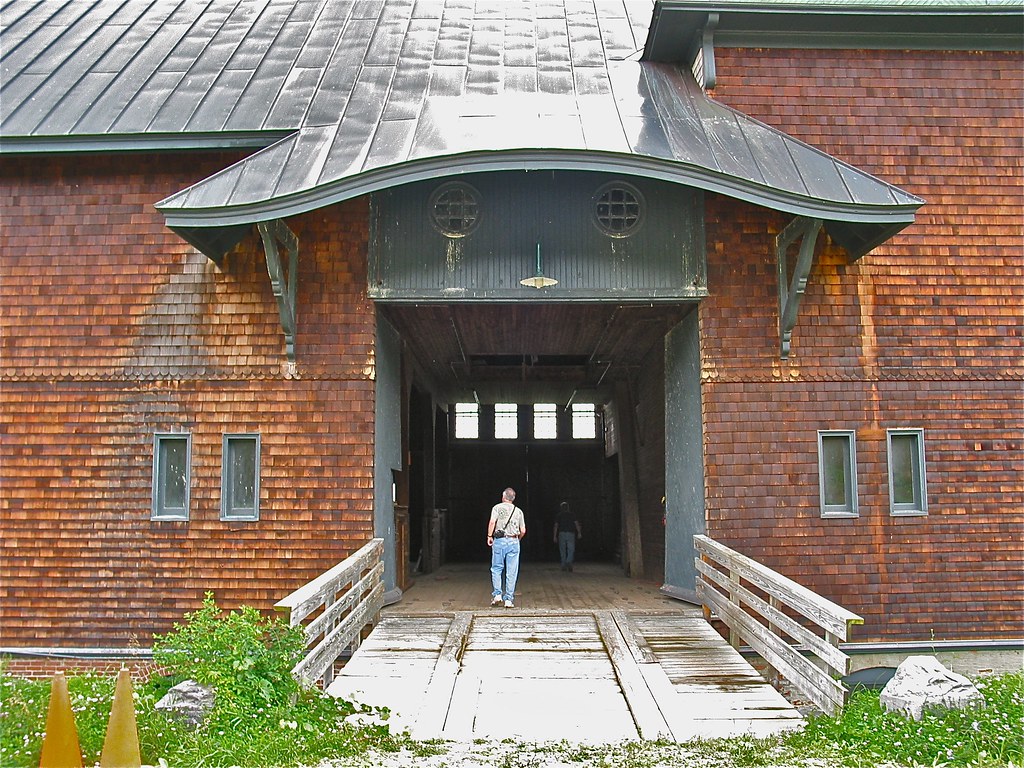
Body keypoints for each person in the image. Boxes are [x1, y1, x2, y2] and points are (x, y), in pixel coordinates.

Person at [486, 487, 526, 608]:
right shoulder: (518, 511)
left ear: (503, 497)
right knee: (512, 571)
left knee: (497, 568)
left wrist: (489, 535)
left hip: (500, 541)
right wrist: (517, 539)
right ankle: (508, 600)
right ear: (513, 498)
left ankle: (497, 595)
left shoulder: (497, 508)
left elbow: (492, 522)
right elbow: (523, 530)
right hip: (514, 541)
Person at [552, 501, 582, 572]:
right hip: (570, 534)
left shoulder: (559, 515)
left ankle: (563, 565)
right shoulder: (572, 515)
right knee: (571, 549)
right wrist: (579, 532)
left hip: (561, 533)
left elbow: (556, 526)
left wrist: (554, 536)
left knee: (562, 550)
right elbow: (576, 524)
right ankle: (569, 561)